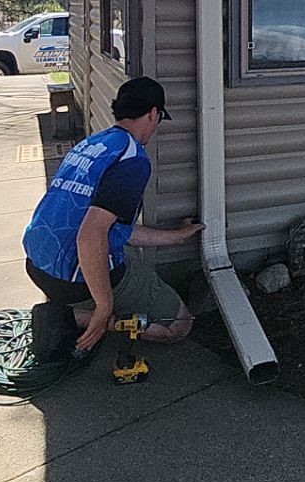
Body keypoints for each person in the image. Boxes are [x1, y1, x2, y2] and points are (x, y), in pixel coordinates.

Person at [23, 76, 202, 352]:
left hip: (37, 264)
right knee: (178, 324)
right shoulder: (132, 161)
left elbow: (113, 229)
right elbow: (91, 236)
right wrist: (104, 307)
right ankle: (73, 317)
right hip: (72, 276)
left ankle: (71, 306)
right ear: (153, 114)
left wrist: (177, 236)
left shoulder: (93, 145)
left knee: (126, 253)